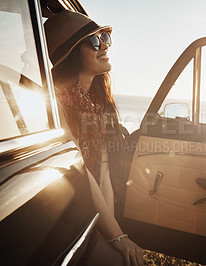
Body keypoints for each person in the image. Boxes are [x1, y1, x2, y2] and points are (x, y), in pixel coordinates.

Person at [44, 10, 143, 266]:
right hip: (66, 216)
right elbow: (84, 175)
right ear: (70, 53)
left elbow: (104, 174)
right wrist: (116, 236)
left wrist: (110, 232)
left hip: (91, 215)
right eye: (95, 41)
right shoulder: (55, 106)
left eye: (105, 37)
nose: (105, 46)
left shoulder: (99, 107)